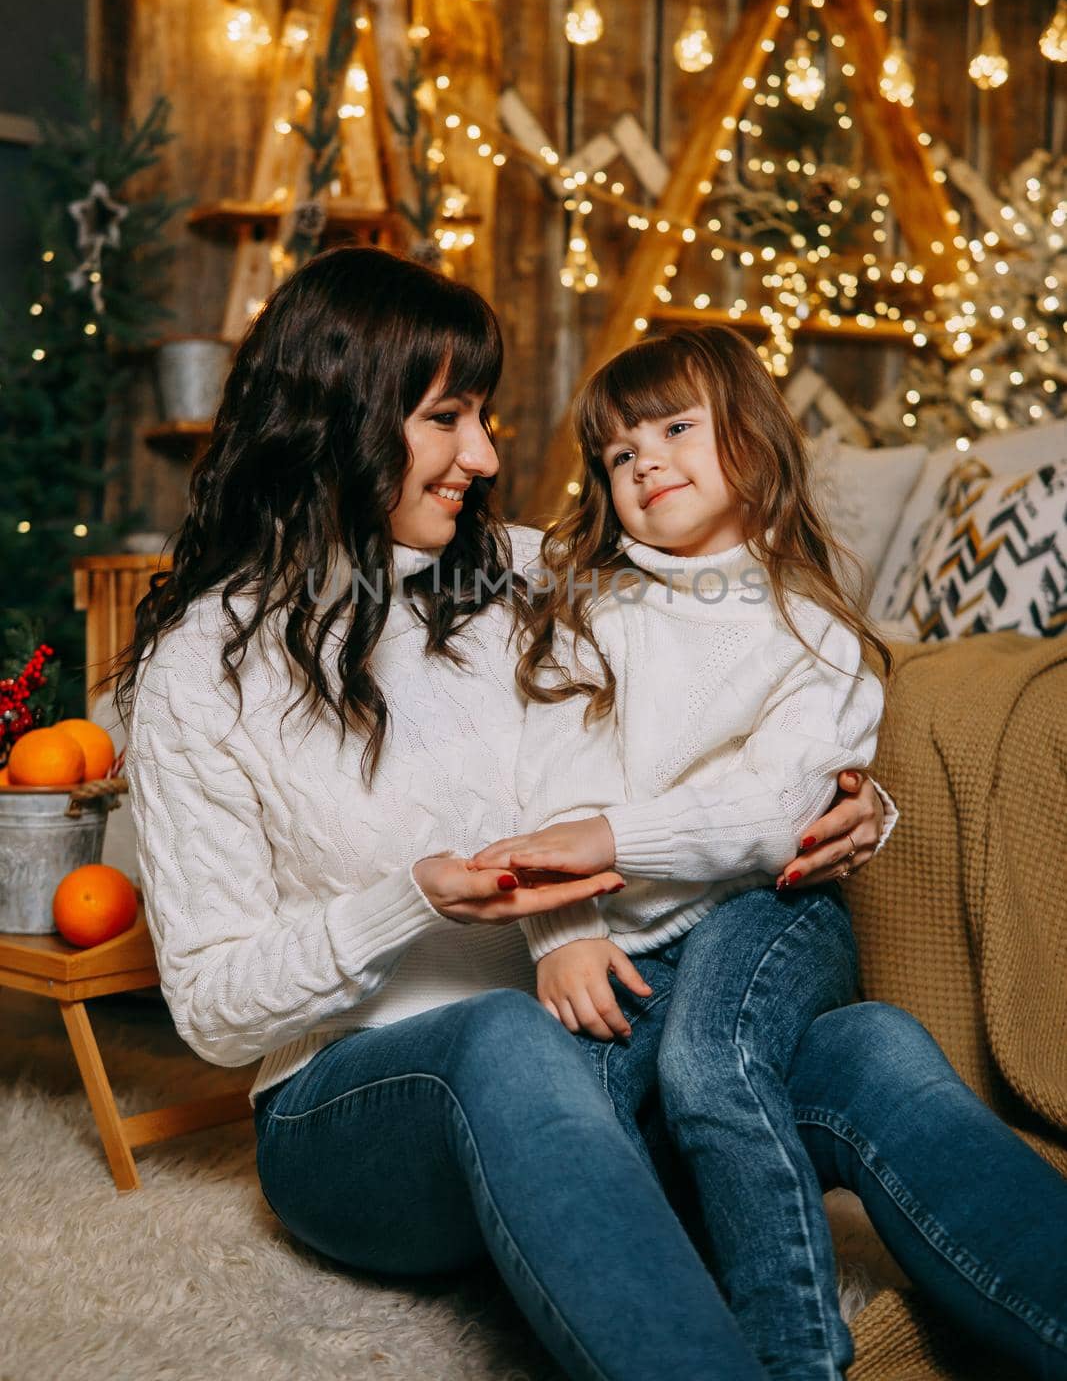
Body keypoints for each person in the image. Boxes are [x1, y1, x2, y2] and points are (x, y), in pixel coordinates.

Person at [116, 248, 1067, 1381]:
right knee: (499, 1033)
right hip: (355, 1119)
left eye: (484, 416)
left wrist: (851, 803)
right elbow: (216, 1010)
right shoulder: (197, 674)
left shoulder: (528, 571)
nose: (485, 454)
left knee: (864, 1046)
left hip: (596, 1065)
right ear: (338, 418)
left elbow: (757, 653)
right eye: (447, 417)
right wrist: (404, 901)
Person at [467, 325, 892, 1381]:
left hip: (771, 909)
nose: (643, 459)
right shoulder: (583, 605)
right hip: (625, 938)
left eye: (672, 428)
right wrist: (558, 931)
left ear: (749, 440)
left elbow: (779, 807)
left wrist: (609, 839)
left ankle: (795, 1355)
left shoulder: (810, 628)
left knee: (709, 1064)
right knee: (577, 1121)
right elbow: (542, 785)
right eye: (617, 452)